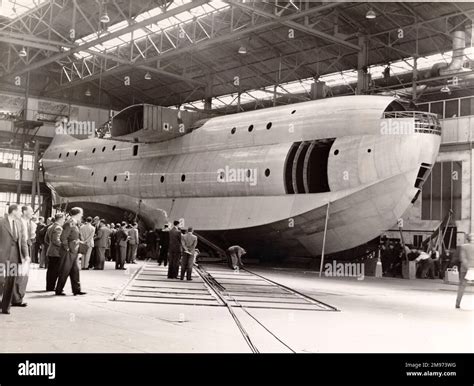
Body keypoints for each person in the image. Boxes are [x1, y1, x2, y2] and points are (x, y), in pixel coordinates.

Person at [0, 204, 29, 314]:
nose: (21, 213)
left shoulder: (19, 223)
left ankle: (5, 307)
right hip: (2, 256)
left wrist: (26, 255)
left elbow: (23, 241)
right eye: (19, 211)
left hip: (14, 257)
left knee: (10, 282)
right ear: (13, 211)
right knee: (1, 280)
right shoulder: (1, 222)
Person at [55, 207, 86, 296]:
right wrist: (66, 247)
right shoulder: (70, 223)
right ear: (77, 214)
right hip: (68, 251)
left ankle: (76, 289)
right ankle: (59, 290)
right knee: (65, 270)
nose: (82, 215)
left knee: (75, 270)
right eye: (81, 213)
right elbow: (63, 237)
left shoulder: (75, 223)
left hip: (74, 250)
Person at [45, 213, 65, 291]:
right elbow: (56, 240)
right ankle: (52, 287)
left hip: (50, 251)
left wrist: (51, 245)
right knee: (55, 270)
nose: (64, 220)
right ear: (60, 219)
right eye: (63, 219)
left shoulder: (50, 227)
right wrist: (63, 246)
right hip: (56, 252)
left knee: (50, 270)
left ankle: (49, 286)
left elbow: (46, 239)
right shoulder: (58, 228)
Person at [455, 233, 474, 309]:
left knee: (462, 286)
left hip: (465, 269)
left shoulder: (463, 246)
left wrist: (468, 267)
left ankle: (457, 303)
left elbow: (462, 258)